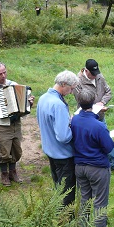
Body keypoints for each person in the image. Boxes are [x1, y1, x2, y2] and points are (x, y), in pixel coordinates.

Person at [71, 89, 114, 227]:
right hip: (97, 168)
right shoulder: (98, 126)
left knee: (85, 199)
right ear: (93, 103)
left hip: (80, 166)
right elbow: (109, 147)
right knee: (100, 202)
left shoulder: (74, 120)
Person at [72, 59, 114, 172]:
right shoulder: (77, 82)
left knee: (107, 138)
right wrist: (95, 108)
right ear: (86, 71)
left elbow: (108, 92)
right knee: (91, 142)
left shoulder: (99, 76)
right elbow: (81, 100)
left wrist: (102, 103)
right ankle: (93, 165)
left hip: (100, 116)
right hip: (86, 118)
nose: (95, 76)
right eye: (93, 74)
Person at [36, 70, 79, 206]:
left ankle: (58, 219)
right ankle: (66, 223)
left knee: (58, 189)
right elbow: (63, 137)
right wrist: (73, 127)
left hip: (50, 151)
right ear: (64, 84)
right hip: (63, 156)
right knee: (67, 195)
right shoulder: (58, 105)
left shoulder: (43, 98)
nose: (71, 92)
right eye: (71, 89)